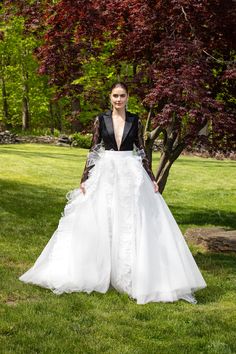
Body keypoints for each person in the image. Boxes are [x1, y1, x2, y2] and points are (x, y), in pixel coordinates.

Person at [19, 82, 207, 304]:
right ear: (110, 98)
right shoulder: (101, 119)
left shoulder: (134, 120)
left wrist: (151, 178)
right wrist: (84, 178)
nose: (119, 99)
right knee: (103, 219)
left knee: (131, 220)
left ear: (128, 97)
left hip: (130, 171)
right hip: (106, 171)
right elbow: (93, 148)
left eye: (122, 96)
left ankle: (131, 273)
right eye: (115, 96)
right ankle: (99, 271)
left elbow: (141, 150)